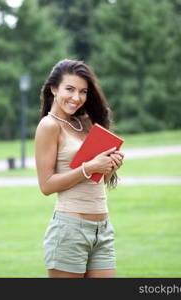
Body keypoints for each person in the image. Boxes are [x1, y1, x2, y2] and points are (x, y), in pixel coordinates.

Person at [35, 59, 125, 278]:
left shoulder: (86, 123)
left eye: (83, 91)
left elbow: (93, 178)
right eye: (70, 89)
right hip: (69, 231)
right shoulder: (49, 126)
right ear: (53, 89)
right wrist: (89, 167)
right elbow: (46, 186)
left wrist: (109, 166)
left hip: (102, 229)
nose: (76, 97)